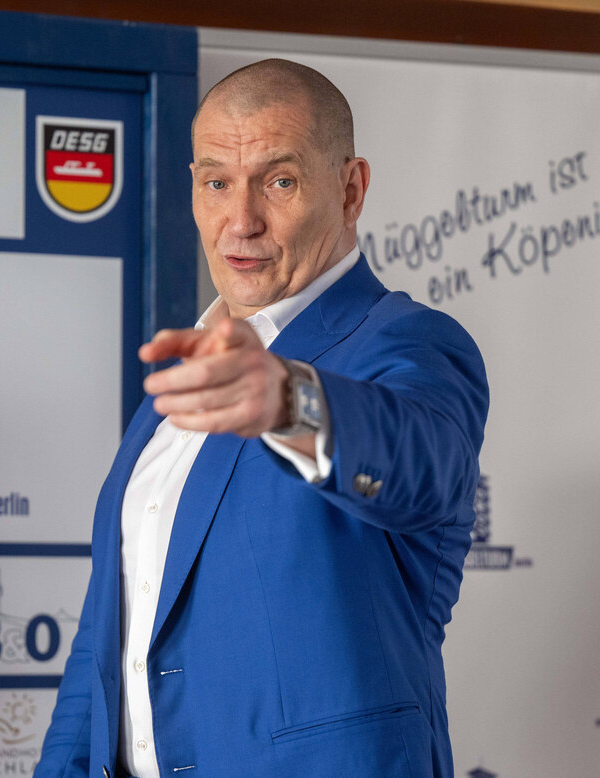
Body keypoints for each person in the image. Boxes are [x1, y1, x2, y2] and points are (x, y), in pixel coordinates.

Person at [35, 58, 488, 778]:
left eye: (279, 182)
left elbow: (424, 466)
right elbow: (106, 636)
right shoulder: (182, 380)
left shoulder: (408, 341)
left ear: (349, 190)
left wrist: (286, 399)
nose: (240, 222)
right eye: (217, 183)